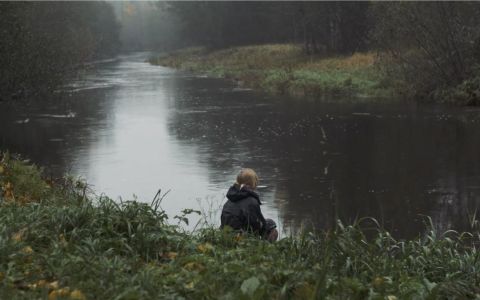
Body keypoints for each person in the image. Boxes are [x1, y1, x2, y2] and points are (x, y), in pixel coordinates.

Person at [220, 168, 278, 242]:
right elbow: (254, 226)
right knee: (272, 227)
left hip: (225, 235)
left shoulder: (231, 198)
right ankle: (264, 248)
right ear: (253, 183)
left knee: (268, 222)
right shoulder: (252, 201)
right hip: (240, 238)